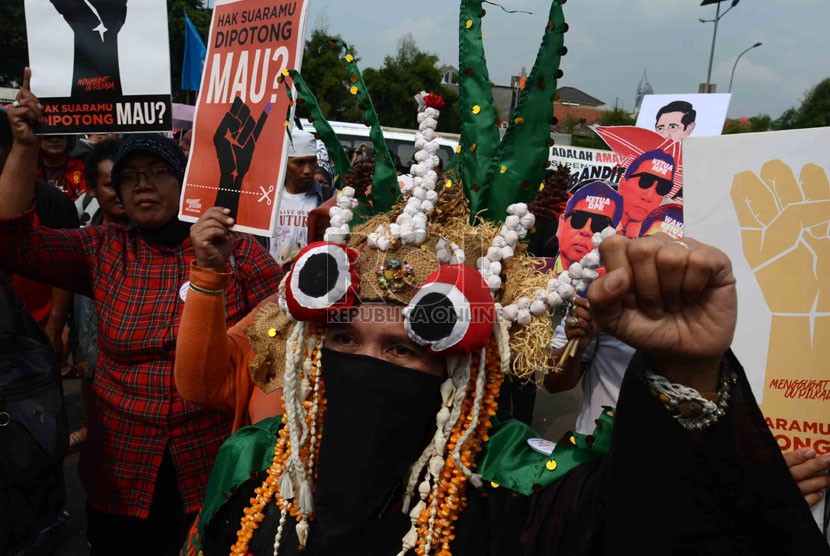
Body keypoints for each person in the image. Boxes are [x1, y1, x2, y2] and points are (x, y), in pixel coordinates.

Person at [0, 69, 283, 556]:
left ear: (187, 181)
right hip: (122, 470)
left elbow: (283, 348)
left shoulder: (240, 254)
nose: (140, 186)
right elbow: (13, 243)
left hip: (209, 467)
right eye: (129, 177)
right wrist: (25, 145)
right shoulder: (103, 248)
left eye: (156, 173)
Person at [70, 138, 129, 453]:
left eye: (127, 181)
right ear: (92, 188)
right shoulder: (81, 221)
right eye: (111, 185)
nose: (122, 192)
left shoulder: (159, 236)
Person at [269, 128, 334, 268]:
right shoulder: (268, 198)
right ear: (284, 162)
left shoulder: (328, 199)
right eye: (299, 163)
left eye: (312, 162)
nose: (307, 170)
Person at [553, 180, 622, 273]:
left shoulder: (615, 284)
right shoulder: (537, 266)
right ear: (562, 224)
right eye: (578, 218)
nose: (586, 230)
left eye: (599, 224)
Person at [616, 149, 675, 238]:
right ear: (622, 185)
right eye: (645, 181)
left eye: (662, 187)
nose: (648, 196)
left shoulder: (661, 239)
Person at [35, 134, 86, 200]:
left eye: (60, 136)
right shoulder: (30, 168)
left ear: (69, 139)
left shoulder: (81, 168)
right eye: (48, 136)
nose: (54, 140)